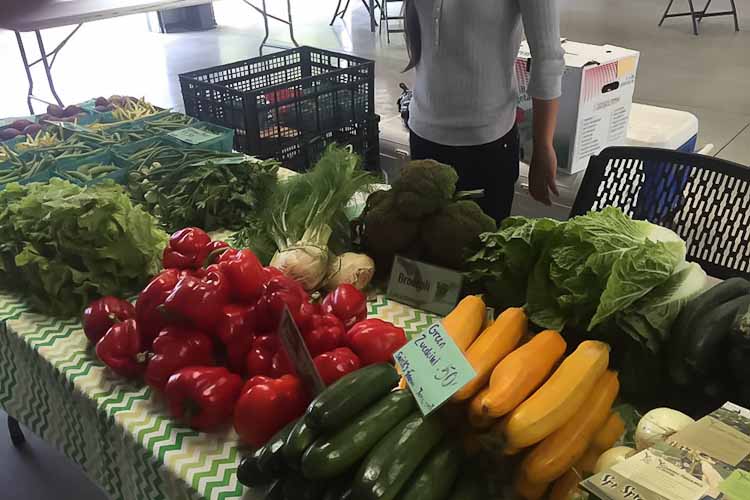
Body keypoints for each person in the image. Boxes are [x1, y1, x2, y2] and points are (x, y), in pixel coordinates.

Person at [403, 0, 565, 222]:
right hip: (423, 132)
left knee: (481, 250)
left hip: (487, 146)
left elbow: (548, 60)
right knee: (422, 251)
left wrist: (543, 145)